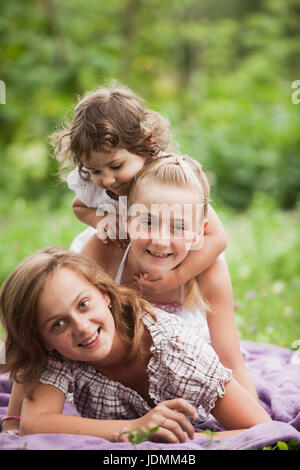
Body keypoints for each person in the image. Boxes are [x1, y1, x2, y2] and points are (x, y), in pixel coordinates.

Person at [0, 247, 270, 442]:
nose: (81, 327)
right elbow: (35, 423)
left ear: (104, 294)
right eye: (57, 324)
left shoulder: (175, 349)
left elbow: (260, 428)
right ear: (44, 341)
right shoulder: (60, 353)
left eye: (83, 304)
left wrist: (184, 443)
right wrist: (135, 428)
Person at [81, 155, 258, 400]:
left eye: (179, 227)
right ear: (128, 220)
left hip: (182, 379)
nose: (161, 240)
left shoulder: (209, 269)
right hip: (115, 381)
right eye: (148, 222)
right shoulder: (107, 249)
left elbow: (230, 360)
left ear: (199, 233)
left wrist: (260, 428)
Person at [52, 83, 228, 294]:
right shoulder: (98, 183)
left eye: (116, 166)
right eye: (95, 171)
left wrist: (175, 277)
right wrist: (101, 221)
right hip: (114, 257)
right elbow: (79, 207)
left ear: (145, 142)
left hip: (167, 251)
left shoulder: (165, 181)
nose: (107, 180)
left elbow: (218, 238)